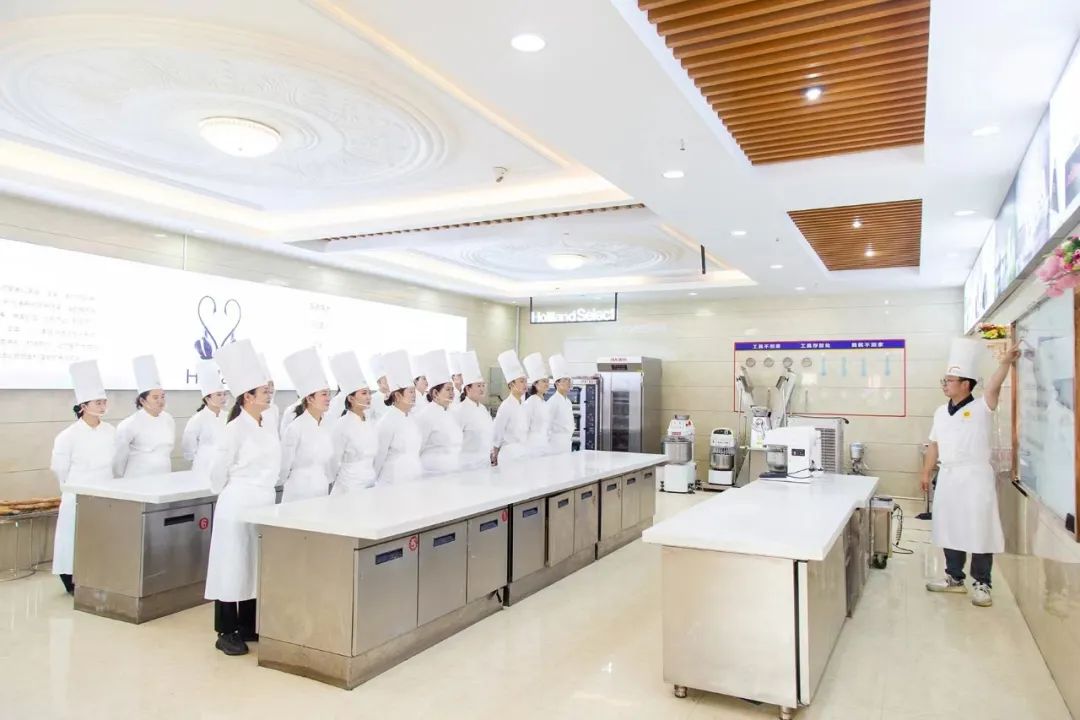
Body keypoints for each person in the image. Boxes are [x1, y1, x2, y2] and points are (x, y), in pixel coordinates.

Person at [922, 338, 1019, 608]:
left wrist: (1005, 363)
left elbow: (994, 385)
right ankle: (954, 577)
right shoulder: (940, 412)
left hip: (976, 477)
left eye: (950, 380)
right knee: (949, 526)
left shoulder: (982, 407)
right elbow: (934, 444)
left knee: (980, 528)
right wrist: (926, 471)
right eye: (944, 380)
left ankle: (982, 583)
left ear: (966, 384)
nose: (945, 384)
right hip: (948, 476)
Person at [205, 339, 280, 656]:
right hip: (237, 505)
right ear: (247, 396)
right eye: (263, 391)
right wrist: (239, 488)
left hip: (263, 502)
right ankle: (226, 631)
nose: (269, 394)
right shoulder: (233, 428)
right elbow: (216, 475)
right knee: (232, 565)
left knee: (253, 563)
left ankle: (249, 624)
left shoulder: (268, 421)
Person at [51, 360, 116, 595]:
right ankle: (71, 579)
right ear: (83, 406)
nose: (102, 406)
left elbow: (117, 463)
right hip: (77, 493)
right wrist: (72, 488)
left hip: (105, 491)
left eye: (104, 401)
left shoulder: (111, 431)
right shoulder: (68, 436)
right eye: (98, 402)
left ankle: (99, 576)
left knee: (101, 538)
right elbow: (59, 468)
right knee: (73, 537)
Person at [279, 347, 333, 502]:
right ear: (309, 399)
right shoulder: (295, 428)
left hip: (321, 490)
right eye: (324, 394)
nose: (328, 398)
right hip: (298, 492)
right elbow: (284, 466)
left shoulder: (327, 424)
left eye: (329, 394)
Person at [114, 355, 175, 478]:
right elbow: (119, 457)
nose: (161, 401)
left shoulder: (168, 419)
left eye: (162, 396)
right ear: (142, 401)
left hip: (164, 475)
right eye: (155, 397)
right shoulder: (129, 424)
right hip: (138, 477)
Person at [328, 351, 378, 494]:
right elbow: (333, 460)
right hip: (349, 487)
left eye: (369, 393)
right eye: (364, 393)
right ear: (350, 398)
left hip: (370, 483)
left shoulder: (370, 422)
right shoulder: (342, 425)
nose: (369, 397)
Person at [373, 349, 423, 484]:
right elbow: (378, 458)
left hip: (413, 480)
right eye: (410, 392)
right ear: (397, 395)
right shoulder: (386, 422)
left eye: (414, 391)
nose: (414, 395)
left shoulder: (413, 419)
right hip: (391, 482)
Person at [414, 350, 463, 474]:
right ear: (435, 393)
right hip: (432, 474)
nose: (452, 393)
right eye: (448, 389)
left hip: (452, 472)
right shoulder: (425, 416)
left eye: (452, 389)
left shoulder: (453, 413)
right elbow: (417, 448)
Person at [182, 359, 228, 477]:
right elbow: (188, 448)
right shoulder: (197, 419)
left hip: (224, 468)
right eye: (218, 395)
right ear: (207, 398)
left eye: (224, 394)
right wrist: (204, 457)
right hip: (203, 468)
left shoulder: (228, 417)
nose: (223, 398)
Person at [451, 351, 495, 469]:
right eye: (478, 386)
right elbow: (453, 443)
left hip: (484, 465)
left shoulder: (483, 409)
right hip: (466, 467)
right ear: (468, 389)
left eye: (483, 385)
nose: (482, 389)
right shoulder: (459, 411)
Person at [492, 350, 530, 464]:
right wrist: (495, 454)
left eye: (526, 381)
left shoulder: (523, 405)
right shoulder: (506, 406)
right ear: (511, 384)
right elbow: (497, 432)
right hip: (508, 456)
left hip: (522, 454)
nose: (525, 385)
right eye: (522, 381)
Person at [522, 353, 551, 456]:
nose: (547, 384)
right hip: (532, 449)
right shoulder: (530, 403)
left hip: (544, 447)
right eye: (544, 381)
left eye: (547, 381)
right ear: (535, 383)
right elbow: (524, 428)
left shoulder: (544, 403)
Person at [546, 354, 575, 455]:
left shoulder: (568, 402)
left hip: (566, 444)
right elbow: (545, 427)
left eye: (569, 380)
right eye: (565, 380)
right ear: (557, 383)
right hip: (554, 447)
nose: (568, 383)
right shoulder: (552, 402)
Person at [258, 354, 281, 437]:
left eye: (271, 393)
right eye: (266, 392)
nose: (269, 396)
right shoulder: (254, 409)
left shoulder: (274, 409)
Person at [367, 354, 390, 424]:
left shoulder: (396, 394)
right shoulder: (372, 399)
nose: (389, 382)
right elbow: (368, 419)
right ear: (378, 382)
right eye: (386, 380)